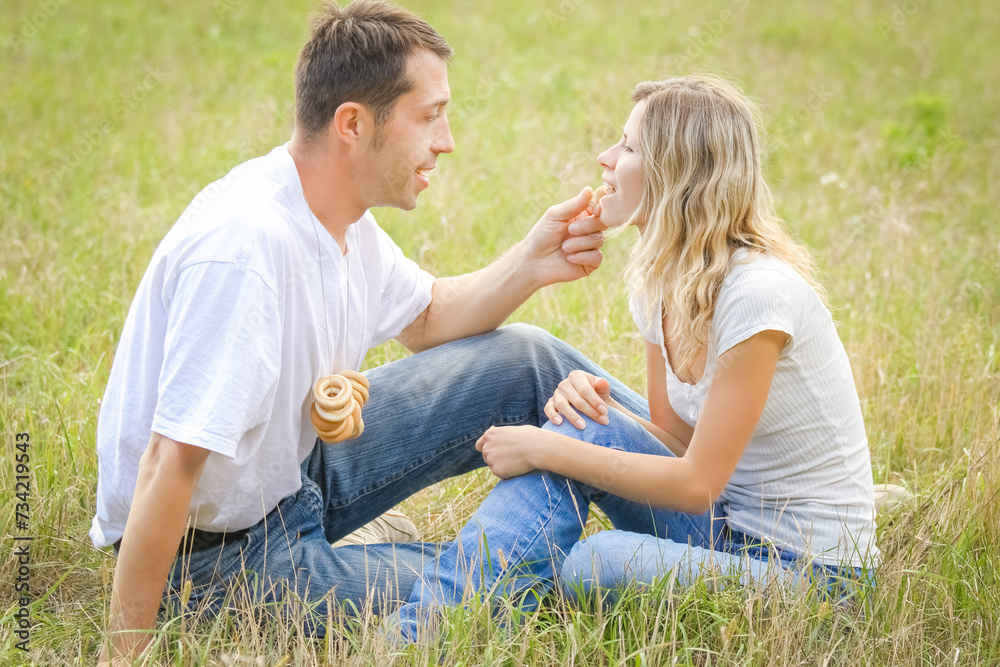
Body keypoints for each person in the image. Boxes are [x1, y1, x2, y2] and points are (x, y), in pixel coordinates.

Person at [92, 1, 619, 663]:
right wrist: (125, 652)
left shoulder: (337, 217)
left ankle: (696, 496)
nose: (447, 139)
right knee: (517, 585)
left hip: (294, 472)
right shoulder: (247, 249)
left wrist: (532, 261)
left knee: (527, 359)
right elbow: (169, 462)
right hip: (214, 561)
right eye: (429, 116)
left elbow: (428, 317)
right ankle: (641, 557)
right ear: (353, 124)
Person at [389, 75, 880, 642]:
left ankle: (433, 630)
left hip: (811, 581)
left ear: (676, 172)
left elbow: (695, 484)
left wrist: (549, 446)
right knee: (585, 421)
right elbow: (677, 445)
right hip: (722, 531)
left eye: (626, 147)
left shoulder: (758, 293)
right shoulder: (660, 282)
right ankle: (425, 636)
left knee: (595, 562)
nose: (604, 157)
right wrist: (595, 412)